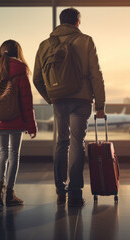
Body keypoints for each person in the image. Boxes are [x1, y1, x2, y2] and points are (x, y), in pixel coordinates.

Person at [33, 8, 106, 207]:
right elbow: (95, 74)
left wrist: (50, 97)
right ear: (77, 22)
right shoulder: (86, 41)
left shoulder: (45, 45)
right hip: (81, 99)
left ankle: (60, 190)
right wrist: (100, 105)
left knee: (61, 142)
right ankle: (75, 192)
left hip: (59, 100)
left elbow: (37, 78)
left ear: (60, 21)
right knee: (76, 143)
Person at [0, 40, 37, 207]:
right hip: (16, 119)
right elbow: (27, 101)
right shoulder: (21, 71)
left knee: (3, 153)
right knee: (14, 155)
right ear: (17, 52)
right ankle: (10, 192)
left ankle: (0, 186)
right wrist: (31, 125)